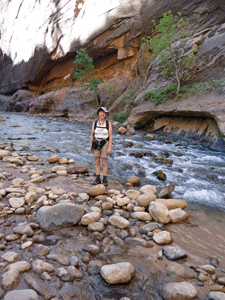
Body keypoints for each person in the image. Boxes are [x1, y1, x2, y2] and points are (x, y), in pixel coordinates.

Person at [90, 107, 112, 186]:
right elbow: (92, 135)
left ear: (105, 114)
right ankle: (98, 178)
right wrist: (91, 147)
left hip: (105, 143)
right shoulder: (95, 123)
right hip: (96, 143)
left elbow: (110, 136)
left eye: (103, 112)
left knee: (104, 162)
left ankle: (105, 179)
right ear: (98, 114)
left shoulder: (108, 124)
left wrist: (109, 148)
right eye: (100, 112)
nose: (102, 114)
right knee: (96, 162)